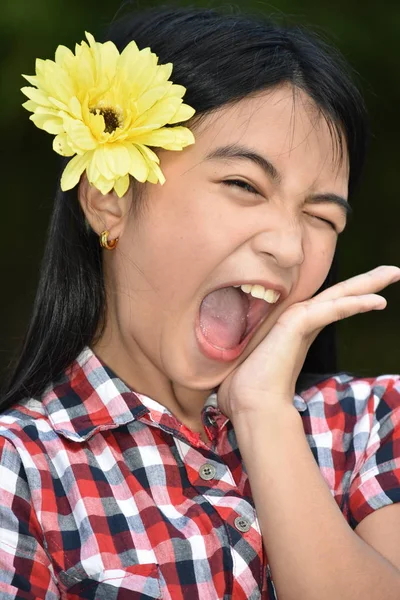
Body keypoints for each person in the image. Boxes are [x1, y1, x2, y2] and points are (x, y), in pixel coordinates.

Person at [0, 5, 399, 599]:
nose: (289, 248)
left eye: (321, 217)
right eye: (244, 185)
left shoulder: (373, 424)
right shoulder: (21, 473)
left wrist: (264, 412)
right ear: (109, 197)